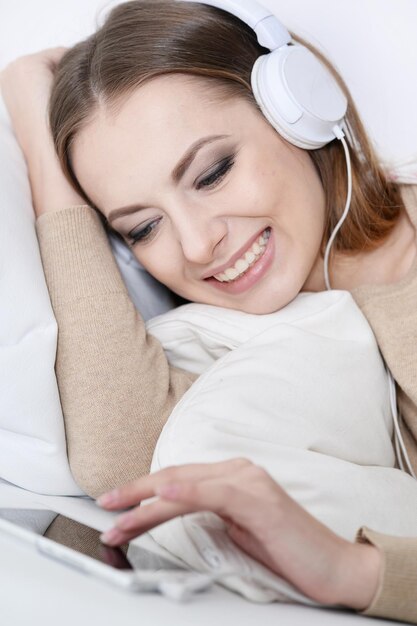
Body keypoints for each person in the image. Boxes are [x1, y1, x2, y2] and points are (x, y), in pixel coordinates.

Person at [1, 0, 417, 621]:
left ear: (297, 108)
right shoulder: (256, 331)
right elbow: (125, 461)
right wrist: (43, 149)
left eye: (213, 172)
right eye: (143, 228)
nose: (197, 247)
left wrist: (360, 572)